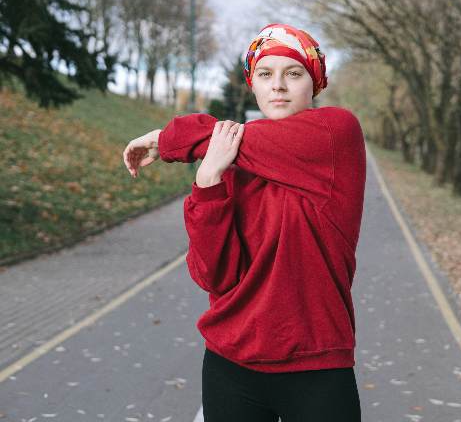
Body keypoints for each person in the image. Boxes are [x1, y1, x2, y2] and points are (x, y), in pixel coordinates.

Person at [122, 23, 366, 421]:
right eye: (265, 75)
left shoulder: (336, 135)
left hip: (317, 366)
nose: (279, 87)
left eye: (294, 73)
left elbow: (234, 139)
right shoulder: (232, 168)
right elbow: (213, 276)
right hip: (230, 366)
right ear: (252, 85)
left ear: (314, 84)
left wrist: (166, 138)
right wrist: (207, 184)